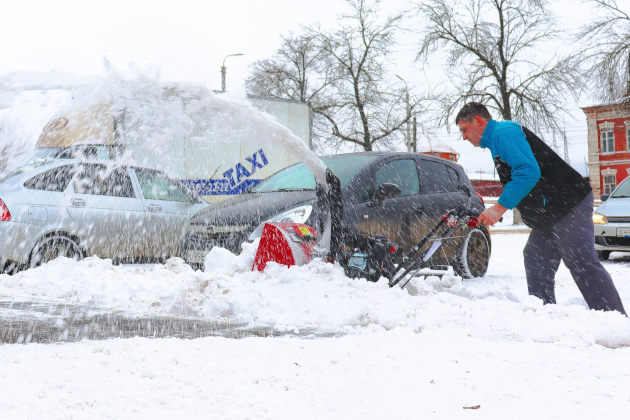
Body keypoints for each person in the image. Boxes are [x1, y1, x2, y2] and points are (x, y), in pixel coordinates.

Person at [456, 102, 626, 315]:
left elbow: (527, 172)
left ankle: (613, 319)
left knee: (580, 260)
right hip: (550, 212)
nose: (464, 137)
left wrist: (499, 208)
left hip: (567, 202)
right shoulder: (496, 142)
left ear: (478, 121)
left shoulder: (503, 133)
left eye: (464, 130)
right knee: (536, 257)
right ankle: (544, 314)